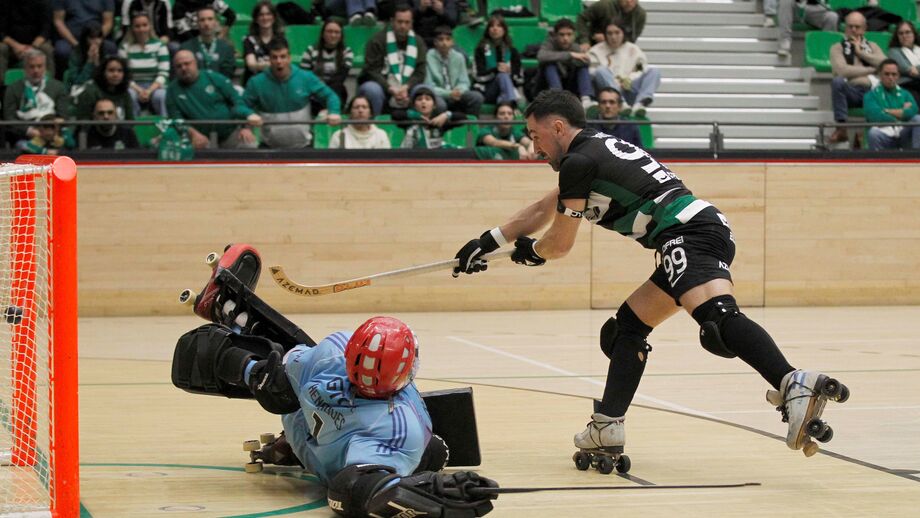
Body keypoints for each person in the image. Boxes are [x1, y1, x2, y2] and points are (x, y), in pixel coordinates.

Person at [451, 88, 850, 461]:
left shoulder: (578, 161)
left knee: (717, 320)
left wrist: (531, 253)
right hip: (697, 229)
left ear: (557, 127)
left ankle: (792, 381)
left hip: (687, 233)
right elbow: (543, 209)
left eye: (535, 135)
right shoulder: (592, 152)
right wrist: (488, 241)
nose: (534, 146)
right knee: (625, 329)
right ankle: (607, 426)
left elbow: (559, 244)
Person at [172, 244, 499, 517]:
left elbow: (283, 373)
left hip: (301, 418)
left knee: (286, 362)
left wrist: (252, 371)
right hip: (322, 449)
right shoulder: (398, 429)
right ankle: (238, 326)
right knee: (432, 452)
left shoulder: (335, 351)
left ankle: (235, 317)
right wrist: (430, 493)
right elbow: (355, 491)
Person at [243, 37, 341, 149]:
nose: (279, 61)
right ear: (269, 59)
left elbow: (330, 96)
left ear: (289, 58)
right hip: (269, 147)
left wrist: (334, 111)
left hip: (304, 147)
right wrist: (248, 114)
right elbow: (240, 105)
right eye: (274, 57)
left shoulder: (306, 77)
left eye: (283, 56)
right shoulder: (256, 82)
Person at [167, 49, 262, 149]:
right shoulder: (172, 90)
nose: (183, 68)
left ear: (195, 63)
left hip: (229, 133)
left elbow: (237, 102)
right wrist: (193, 134)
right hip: (199, 137)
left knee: (249, 144)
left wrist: (246, 125)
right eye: (179, 66)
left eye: (187, 64)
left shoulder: (215, 78)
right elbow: (176, 119)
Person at [357, 5, 430, 116]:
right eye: (399, 22)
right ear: (392, 21)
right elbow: (372, 71)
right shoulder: (377, 40)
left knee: (426, 92)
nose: (403, 26)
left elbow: (420, 72)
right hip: (382, 87)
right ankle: (374, 123)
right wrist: (390, 88)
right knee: (372, 89)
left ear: (412, 23)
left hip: (408, 88)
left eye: (407, 22)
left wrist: (406, 87)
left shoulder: (418, 42)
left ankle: (421, 124)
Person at [829, 11, 885, 147]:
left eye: (857, 27)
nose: (853, 30)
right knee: (837, 81)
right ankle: (841, 128)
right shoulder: (837, 48)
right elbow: (842, 71)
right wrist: (872, 69)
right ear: (845, 28)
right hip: (852, 91)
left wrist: (860, 53)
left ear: (864, 29)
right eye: (850, 26)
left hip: (873, 92)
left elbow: (885, 64)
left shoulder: (872, 46)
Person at [588, 20, 659, 118]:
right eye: (610, 33)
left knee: (654, 71)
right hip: (607, 94)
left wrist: (629, 79)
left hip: (628, 88)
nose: (613, 37)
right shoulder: (596, 51)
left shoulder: (634, 50)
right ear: (605, 35)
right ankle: (621, 103)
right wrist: (615, 82)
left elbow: (641, 69)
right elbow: (591, 73)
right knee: (600, 71)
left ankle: (640, 104)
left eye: (617, 33)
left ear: (623, 33)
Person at [2, 50, 68, 146]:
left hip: (52, 135)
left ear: (45, 68)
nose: (36, 70)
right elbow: (9, 118)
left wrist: (51, 130)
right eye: (31, 67)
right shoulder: (13, 89)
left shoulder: (58, 87)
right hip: (24, 136)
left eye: (39, 66)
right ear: (25, 68)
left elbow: (63, 116)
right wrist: (29, 131)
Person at [119, 12, 170, 117]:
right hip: (133, 86)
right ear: (132, 28)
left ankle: (164, 125)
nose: (141, 29)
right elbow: (123, 75)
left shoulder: (159, 45)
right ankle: (132, 125)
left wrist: (149, 91)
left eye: (144, 25)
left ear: (150, 26)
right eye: (137, 26)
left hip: (155, 86)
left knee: (162, 96)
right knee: (129, 95)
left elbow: (164, 73)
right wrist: (139, 90)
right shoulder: (124, 47)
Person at [425, 25, 483, 116]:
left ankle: (469, 123)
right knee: (440, 105)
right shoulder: (428, 57)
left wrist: (459, 91)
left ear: (452, 42)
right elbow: (428, 85)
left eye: (448, 39)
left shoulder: (459, 57)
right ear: (435, 42)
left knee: (476, 97)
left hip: (456, 93)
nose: (444, 43)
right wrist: (448, 94)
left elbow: (464, 82)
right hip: (438, 94)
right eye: (441, 39)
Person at [538, 18, 594, 109]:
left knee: (582, 65)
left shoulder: (575, 46)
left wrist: (581, 57)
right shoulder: (549, 44)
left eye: (569, 34)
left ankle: (586, 99)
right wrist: (570, 55)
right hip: (546, 88)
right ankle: (558, 99)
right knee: (549, 65)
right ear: (555, 35)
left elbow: (587, 62)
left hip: (569, 87)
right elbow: (541, 56)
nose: (565, 38)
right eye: (562, 35)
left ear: (574, 35)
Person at [864, 59, 920, 150]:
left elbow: (913, 111)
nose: (890, 77)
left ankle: (917, 156)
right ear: (880, 75)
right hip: (884, 135)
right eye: (887, 74)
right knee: (873, 133)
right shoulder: (870, 95)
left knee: (918, 119)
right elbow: (875, 116)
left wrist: (886, 111)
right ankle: (877, 159)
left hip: (903, 134)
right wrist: (902, 112)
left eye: (894, 74)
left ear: (898, 76)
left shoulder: (906, 94)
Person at [0, 0, 55, 91]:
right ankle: (2, 88)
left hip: (36, 44)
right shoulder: (5, 3)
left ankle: (49, 88)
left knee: (47, 49)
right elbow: (1, 32)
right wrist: (16, 46)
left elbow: (46, 30)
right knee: (1, 48)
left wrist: (33, 47)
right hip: (11, 45)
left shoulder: (43, 3)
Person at [51, 0, 118, 75]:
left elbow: (108, 22)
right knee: (62, 50)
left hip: (96, 36)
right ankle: (65, 79)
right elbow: (58, 21)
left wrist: (97, 40)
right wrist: (76, 44)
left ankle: (105, 78)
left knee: (111, 48)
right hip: (70, 39)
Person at [300, 19, 353, 114]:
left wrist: (326, 93)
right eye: (329, 31)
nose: (333, 35)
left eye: (337, 32)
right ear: (323, 33)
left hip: (335, 90)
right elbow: (304, 76)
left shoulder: (347, 51)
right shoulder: (310, 50)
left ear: (341, 35)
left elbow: (340, 77)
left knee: (339, 87)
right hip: (314, 89)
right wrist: (318, 89)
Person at [471, 15, 523, 109]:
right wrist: (495, 70)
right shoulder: (480, 49)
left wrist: (510, 72)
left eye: (499, 26)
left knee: (503, 77)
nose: (495, 29)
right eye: (492, 26)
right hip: (487, 90)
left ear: (504, 30)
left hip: (507, 89)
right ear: (488, 30)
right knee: (502, 75)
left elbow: (520, 79)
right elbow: (477, 76)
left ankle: (506, 104)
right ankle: (512, 105)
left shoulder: (512, 51)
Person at [399, 86, 465, 148]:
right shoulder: (409, 120)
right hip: (411, 155)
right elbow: (396, 115)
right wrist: (415, 115)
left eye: (427, 99)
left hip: (435, 155)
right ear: (414, 105)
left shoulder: (439, 121)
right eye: (419, 99)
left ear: (434, 105)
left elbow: (463, 117)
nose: (423, 102)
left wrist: (447, 115)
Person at [179, 6, 236, 80]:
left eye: (210, 19)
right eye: (202, 20)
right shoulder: (186, 48)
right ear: (197, 23)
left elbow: (227, 76)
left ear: (216, 22)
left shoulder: (226, 48)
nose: (206, 23)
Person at [72, 55, 134, 122]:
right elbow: (83, 122)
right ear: (103, 72)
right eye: (111, 70)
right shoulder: (90, 92)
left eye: (120, 71)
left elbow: (129, 121)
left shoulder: (125, 93)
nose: (116, 74)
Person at [771, 0, 838, 57]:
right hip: (795, 7)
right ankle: (784, 42)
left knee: (832, 17)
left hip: (814, 8)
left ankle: (825, 52)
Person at [242, 1, 285, 86]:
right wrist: (273, 65)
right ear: (256, 19)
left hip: (275, 83)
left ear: (274, 17)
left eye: (268, 14)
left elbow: (284, 63)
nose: (265, 18)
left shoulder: (281, 40)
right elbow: (251, 65)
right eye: (261, 15)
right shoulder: (249, 40)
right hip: (254, 83)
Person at [577, 0, 646, 49]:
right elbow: (582, 18)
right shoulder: (604, 5)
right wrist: (584, 40)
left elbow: (632, 39)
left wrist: (608, 40)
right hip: (593, 43)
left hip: (619, 47)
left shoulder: (640, 15)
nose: (629, 1)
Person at [887, 21, 920, 104]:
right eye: (901, 33)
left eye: (907, 32)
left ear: (914, 34)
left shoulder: (918, 49)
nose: (904, 36)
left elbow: (915, 70)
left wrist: (916, 68)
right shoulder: (894, 52)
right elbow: (907, 70)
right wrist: (914, 69)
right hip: (906, 85)